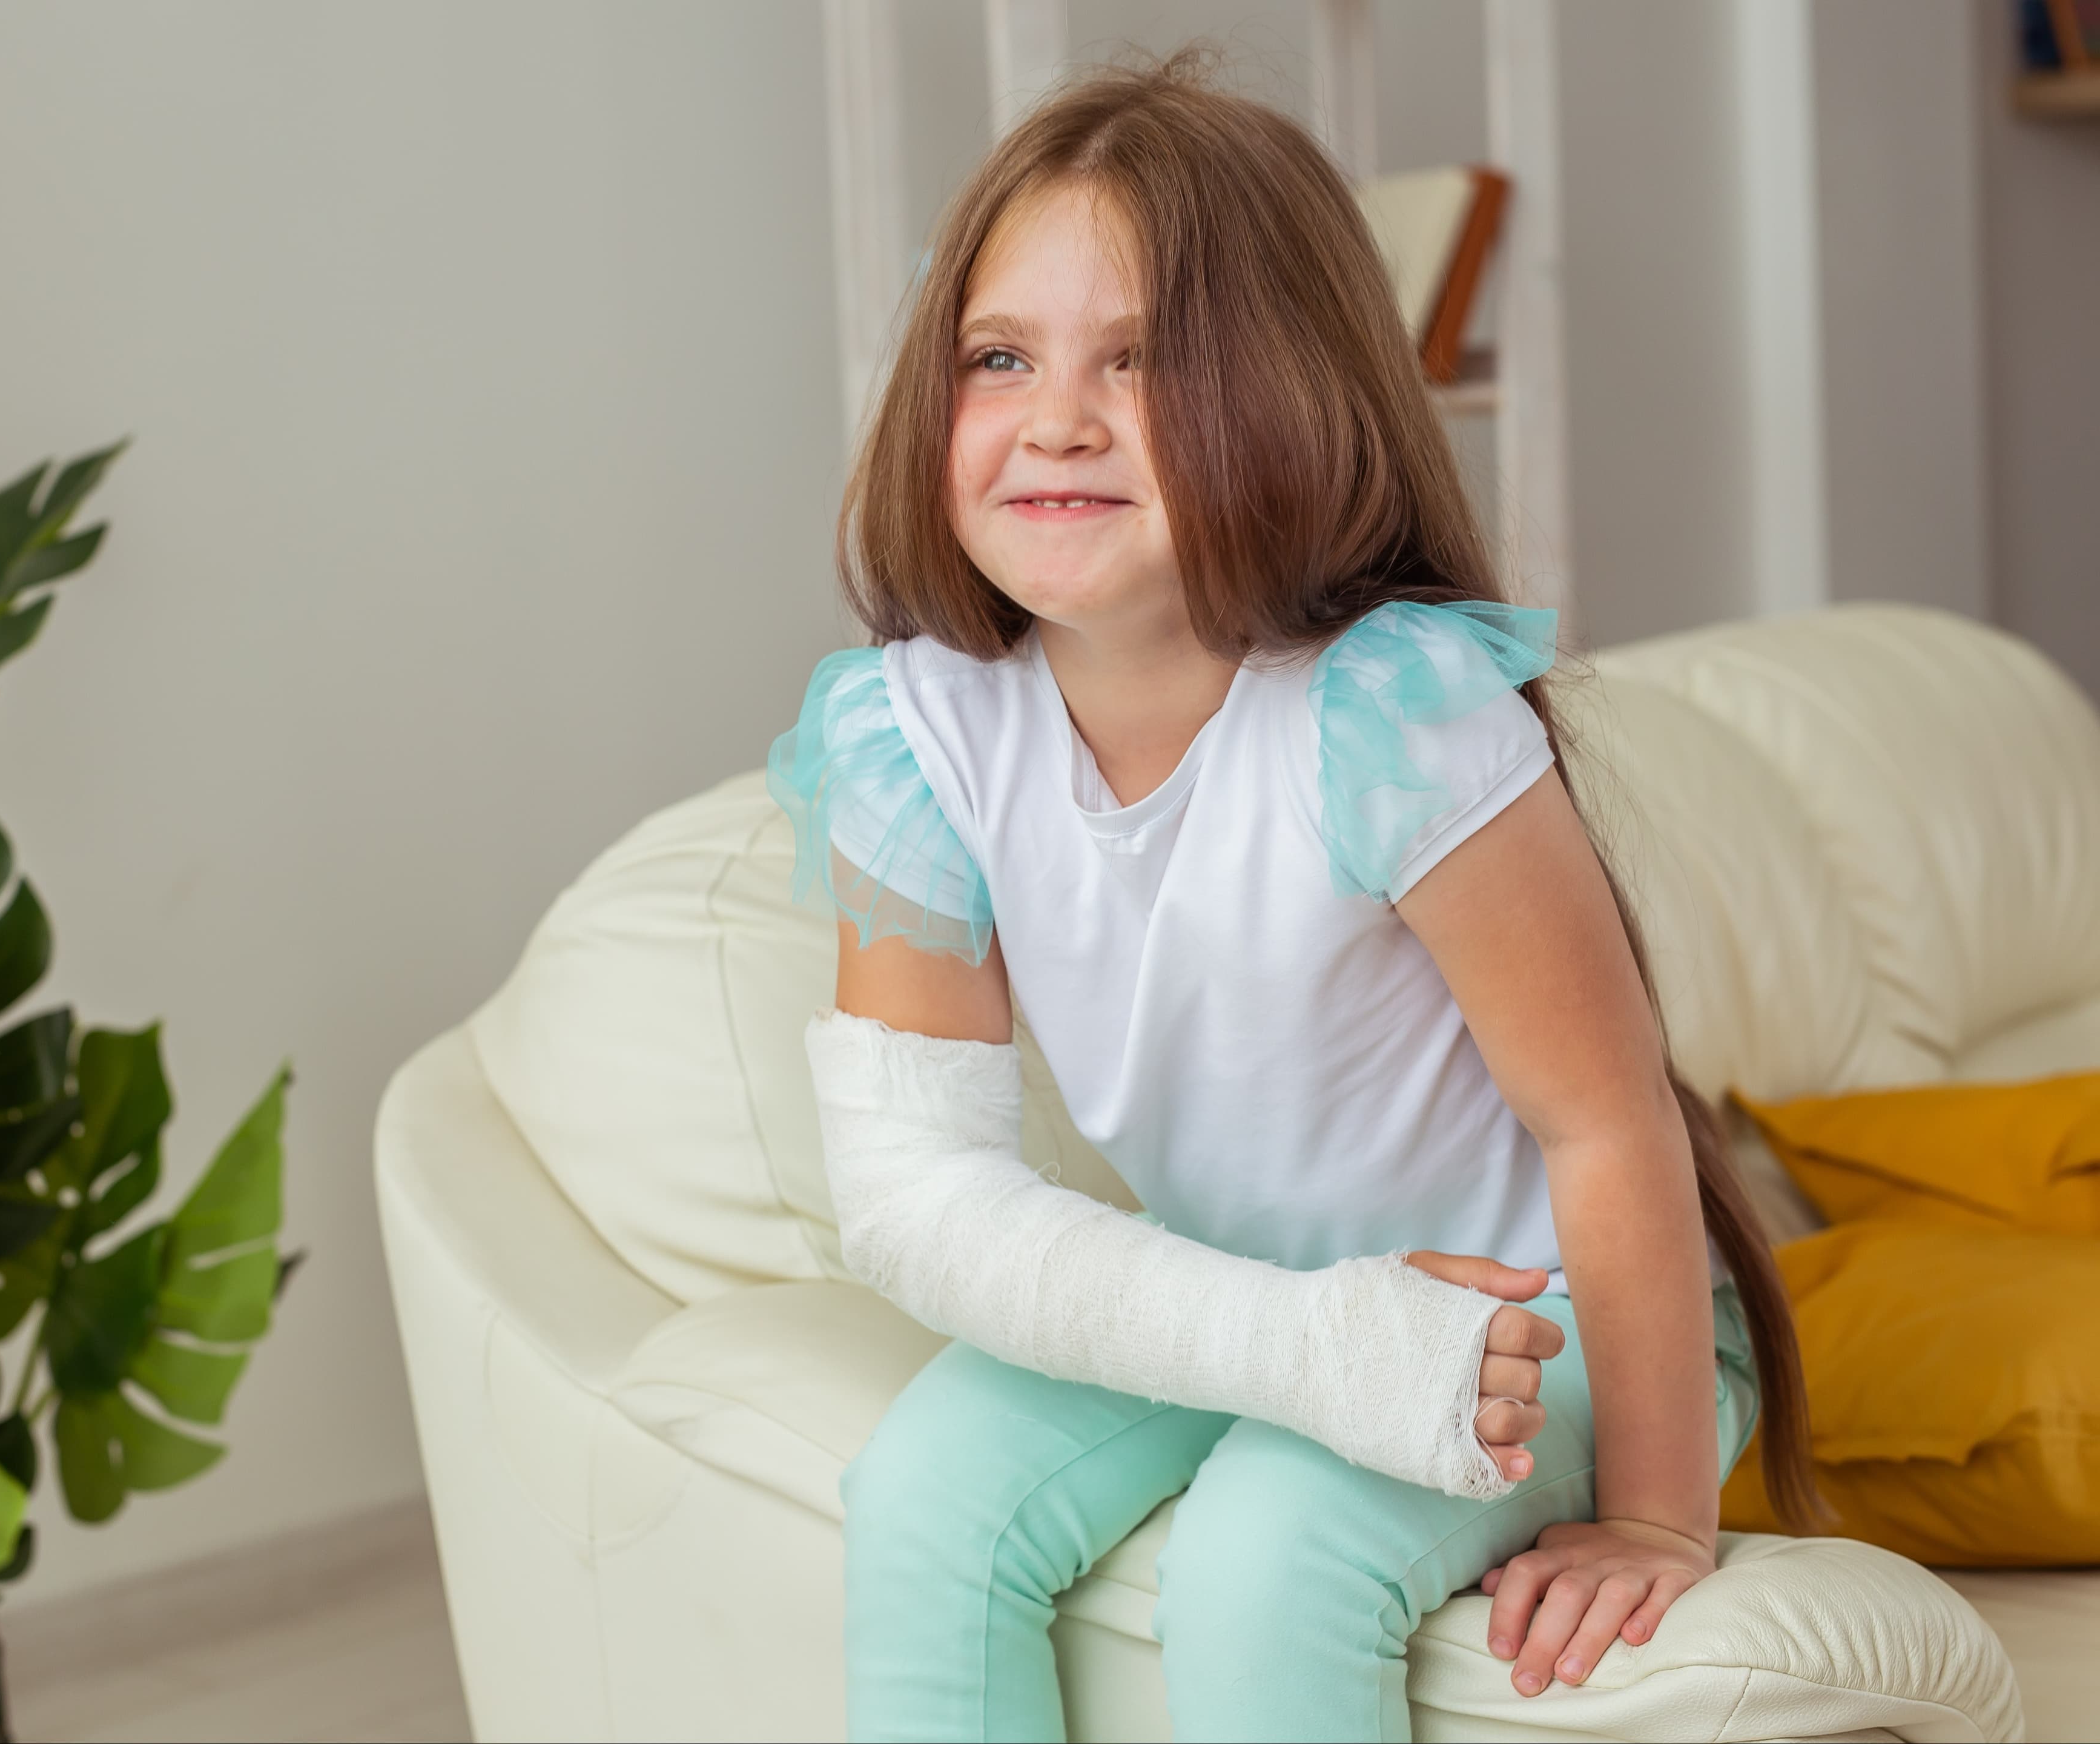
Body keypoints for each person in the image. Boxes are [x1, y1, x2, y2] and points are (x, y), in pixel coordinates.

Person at [768, 50, 1815, 1744]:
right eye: (1000, 357)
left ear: (1292, 399)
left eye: (1140, 362)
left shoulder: (1392, 715)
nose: (1057, 419)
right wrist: (1296, 1340)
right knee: (922, 1499)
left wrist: (1655, 1515)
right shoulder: (917, 736)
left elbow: (1609, 1122)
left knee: (1265, 1556)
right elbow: (919, 1198)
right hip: (1255, 1297)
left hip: (1533, 1312)